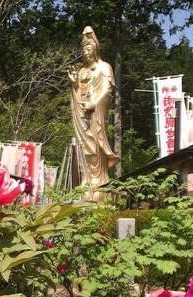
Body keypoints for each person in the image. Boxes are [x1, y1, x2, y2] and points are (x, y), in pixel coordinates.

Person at [69, 26, 119, 199]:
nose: (86, 52)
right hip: (82, 113)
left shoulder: (105, 68)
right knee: (83, 147)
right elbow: (78, 91)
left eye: (89, 48)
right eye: (83, 49)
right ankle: (87, 179)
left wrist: (94, 103)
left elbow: (107, 91)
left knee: (95, 145)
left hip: (94, 113)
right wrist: (75, 84)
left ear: (96, 49)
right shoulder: (81, 71)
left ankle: (99, 180)